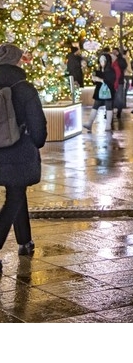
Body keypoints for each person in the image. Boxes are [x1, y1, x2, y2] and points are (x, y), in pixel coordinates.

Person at [0, 43, 48, 274]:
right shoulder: (24, 87)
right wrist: (37, 141)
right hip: (18, 152)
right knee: (14, 196)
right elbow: (38, 125)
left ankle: (24, 241)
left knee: (17, 193)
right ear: (17, 61)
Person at [83, 51, 117, 133]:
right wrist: (94, 79)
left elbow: (110, 81)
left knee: (109, 106)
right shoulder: (98, 70)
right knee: (95, 106)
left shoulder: (110, 70)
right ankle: (89, 123)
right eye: (100, 61)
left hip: (108, 91)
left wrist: (100, 80)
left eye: (103, 61)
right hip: (99, 91)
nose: (101, 62)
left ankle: (108, 125)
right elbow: (95, 81)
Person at [111, 47, 128, 118]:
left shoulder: (121, 60)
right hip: (111, 81)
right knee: (111, 97)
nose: (114, 53)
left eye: (116, 52)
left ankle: (119, 111)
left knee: (119, 96)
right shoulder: (110, 59)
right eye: (113, 52)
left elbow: (124, 66)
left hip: (119, 81)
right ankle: (110, 111)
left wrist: (119, 57)